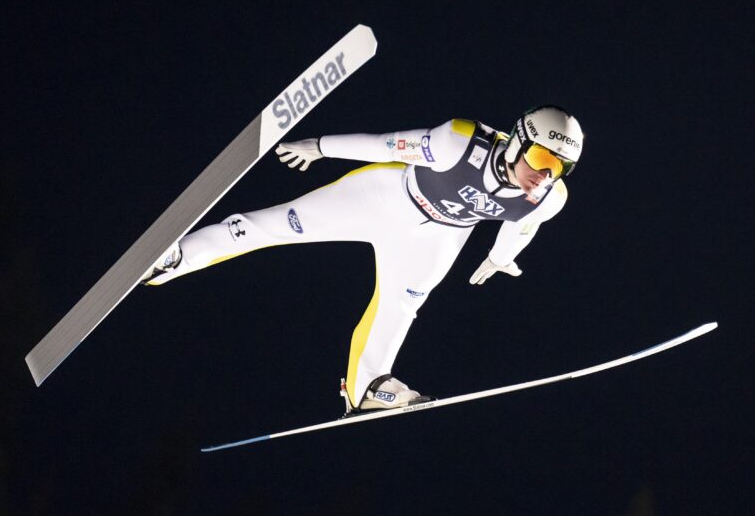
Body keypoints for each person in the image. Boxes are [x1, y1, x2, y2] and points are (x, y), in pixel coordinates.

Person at [142, 105, 584, 415]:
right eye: (543, 157)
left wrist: (501, 256)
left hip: (439, 237)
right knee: (276, 226)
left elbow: (524, 224)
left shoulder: (548, 197)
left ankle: (367, 388)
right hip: (385, 198)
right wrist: (320, 146)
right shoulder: (460, 142)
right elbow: (388, 145)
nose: (544, 174)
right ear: (519, 141)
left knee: (403, 304)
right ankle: (176, 258)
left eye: (559, 167)